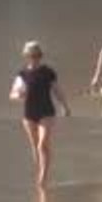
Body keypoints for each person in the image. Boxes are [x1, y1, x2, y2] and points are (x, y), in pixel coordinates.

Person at [10, 41, 72, 186]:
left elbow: (57, 90)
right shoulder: (22, 74)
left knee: (42, 144)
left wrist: (65, 106)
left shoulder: (48, 72)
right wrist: (18, 95)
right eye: (31, 55)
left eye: (37, 55)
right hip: (29, 113)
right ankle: (40, 170)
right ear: (26, 56)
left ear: (40, 55)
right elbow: (12, 94)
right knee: (34, 145)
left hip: (47, 112)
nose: (34, 57)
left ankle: (43, 177)